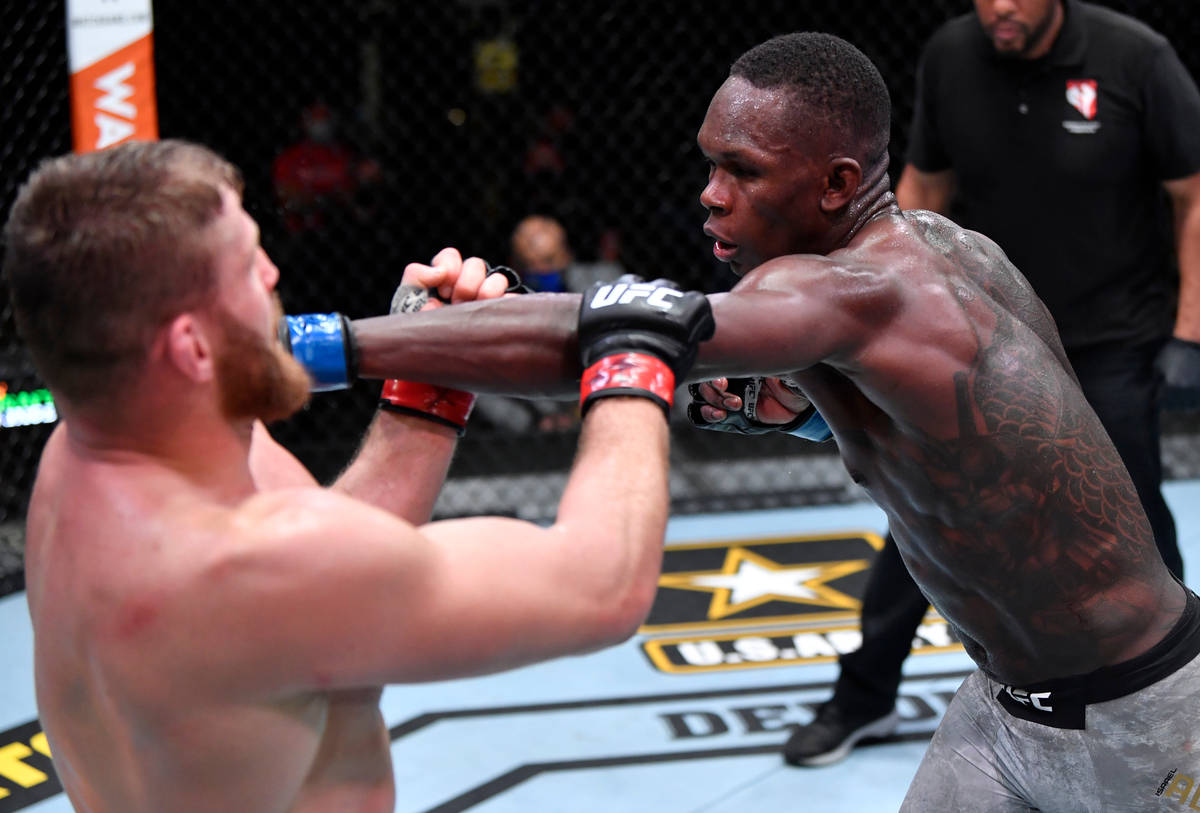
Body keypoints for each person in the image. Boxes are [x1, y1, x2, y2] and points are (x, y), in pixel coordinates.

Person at [288, 32, 1200, 810]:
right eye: (710, 162)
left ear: (838, 183)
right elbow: (987, 439)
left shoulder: (852, 290)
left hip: (1143, 712)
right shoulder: (945, 253)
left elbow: (632, 338)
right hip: (1004, 704)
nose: (710, 194)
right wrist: (816, 421)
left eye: (744, 170)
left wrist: (327, 347)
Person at [4, 139, 713, 812]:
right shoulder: (246, 569)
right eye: (250, 263)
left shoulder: (91, 452)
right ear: (190, 346)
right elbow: (600, 585)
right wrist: (632, 353)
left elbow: (341, 553)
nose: (274, 273)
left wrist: (426, 383)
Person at [781, 0, 1200, 769]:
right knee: (925, 517)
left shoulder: (1136, 58)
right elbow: (918, 192)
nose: (999, 7)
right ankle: (863, 694)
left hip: (1108, 341)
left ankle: (1181, 698)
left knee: (1136, 529)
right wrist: (878, 304)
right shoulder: (952, 54)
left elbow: (1193, 194)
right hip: (983, 344)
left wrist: (1190, 327)